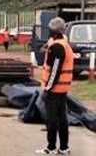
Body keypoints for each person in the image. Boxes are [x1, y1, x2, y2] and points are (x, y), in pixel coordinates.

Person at [35, 17, 73, 155]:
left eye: (50, 30)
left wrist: (48, 89)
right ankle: (64, 147)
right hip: (62, 88)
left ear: (53, 31)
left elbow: (55, 70)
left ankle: (51, 147)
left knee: (52, 120)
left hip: (55, 89)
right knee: (62, 118)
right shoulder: (63, 43)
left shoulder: (57, 47)